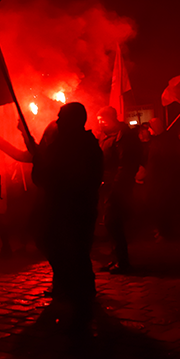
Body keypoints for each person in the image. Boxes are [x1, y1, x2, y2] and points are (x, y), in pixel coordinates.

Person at [32, 103, 103, 329]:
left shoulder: (74, 147)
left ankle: (80, 304)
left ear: (74, 120)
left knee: (72, 254)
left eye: (62, 117)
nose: (58, 121)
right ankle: (77, 295)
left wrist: (44, 164)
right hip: (71, 209)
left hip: (70, 210)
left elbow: (51, 178)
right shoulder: (80, 144)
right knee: (69, 252)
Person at [96, 106, 141, 274]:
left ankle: (123, 261)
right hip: (107, 185)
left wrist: (116, 186)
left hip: (117, 186)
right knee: (110, 222)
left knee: (113, 222)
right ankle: (116, 258)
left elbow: (125, 165)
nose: (100, 124)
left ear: (113, 119)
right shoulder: (106, 136)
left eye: (103, 120)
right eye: (99, 120)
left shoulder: (124, 137)